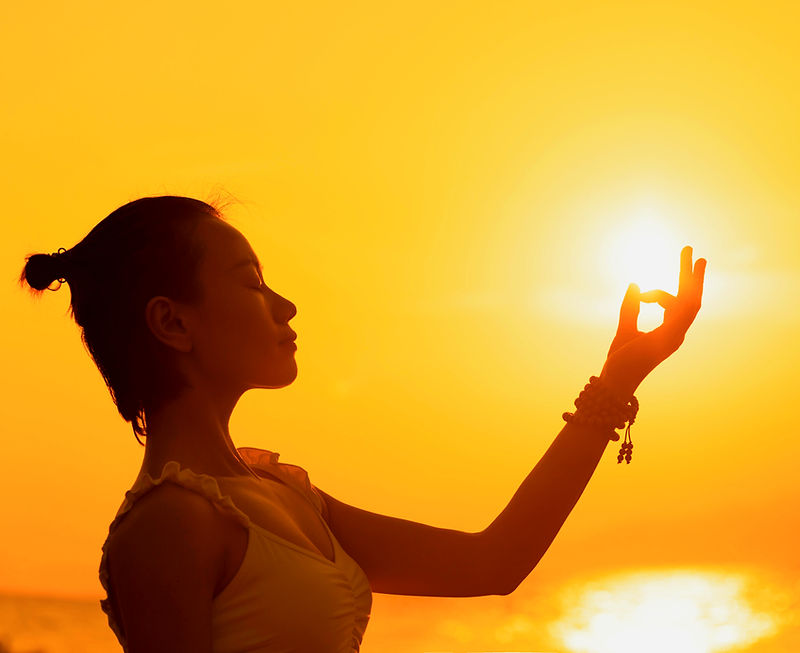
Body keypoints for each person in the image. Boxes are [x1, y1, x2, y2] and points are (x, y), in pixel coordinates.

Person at [19, 195, 706, 653]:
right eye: (253, 281)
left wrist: (618, 378)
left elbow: (493, 561)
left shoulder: (280, 492)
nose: (285, 305)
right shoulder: (168, 527)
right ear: (173, 322)